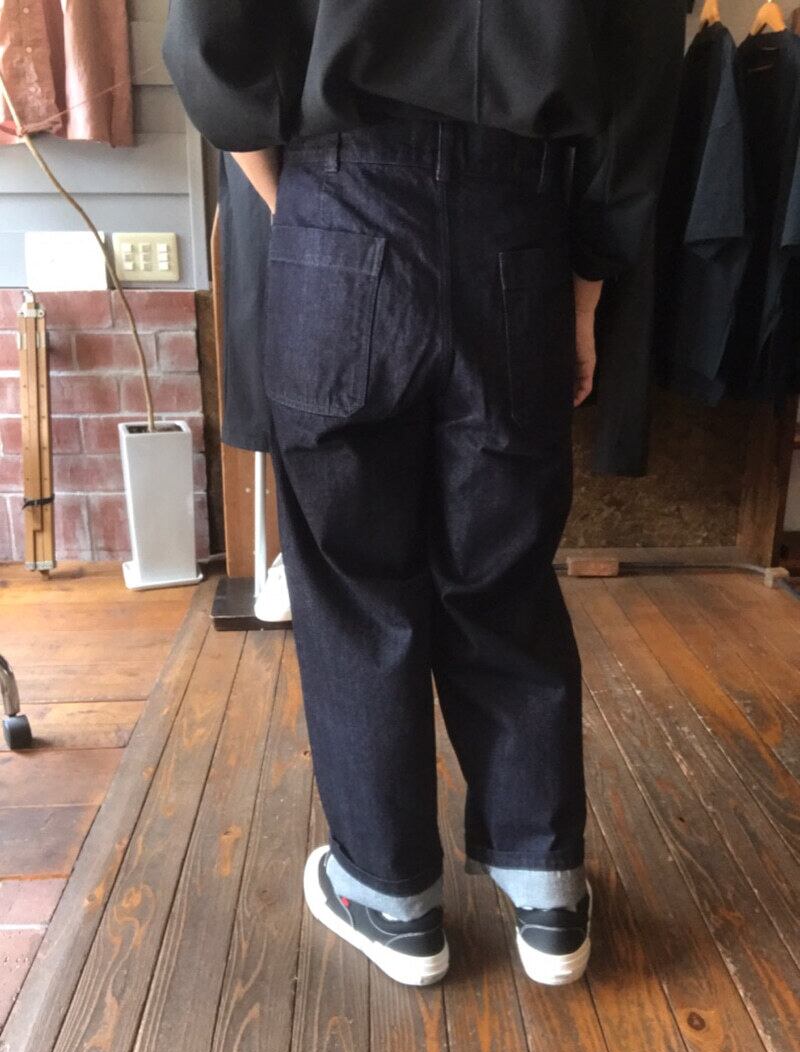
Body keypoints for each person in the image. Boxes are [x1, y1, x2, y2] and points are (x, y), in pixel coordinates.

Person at [162, 1, 686, 988]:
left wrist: (304, 205)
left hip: (337, 202)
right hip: (519, 230)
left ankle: (390, 897)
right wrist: (585, 289)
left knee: (353, 584)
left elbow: (206, 40)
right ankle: (546, 888)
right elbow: (644, 67)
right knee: (504, 576)